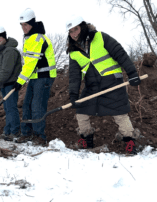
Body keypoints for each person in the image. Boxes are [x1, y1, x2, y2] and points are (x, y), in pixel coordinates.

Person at [66, 15, 141, 154]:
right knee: (81, 111)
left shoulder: (100, 37)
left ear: (82, 27)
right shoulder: (73, 52)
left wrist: (132, 74)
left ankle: (130, 141)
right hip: (92, 87)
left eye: (75, 29)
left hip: (112, 82)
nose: (74, 34)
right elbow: (74, 76)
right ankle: (87, 139)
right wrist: (73, 95)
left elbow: (120, 54)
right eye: (70, 31)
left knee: (120, 113)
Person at [14, 8, 57, 146]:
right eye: (22, 25)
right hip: (34, 77)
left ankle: (40, 136)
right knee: (27, 104)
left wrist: (19, 81)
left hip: (44, 76)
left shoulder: (37, 38)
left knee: (37, 105)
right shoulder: (29, 38)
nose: (23, 28)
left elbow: (31, 63)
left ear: (32, 23)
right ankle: (26, 133)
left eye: (26, 25)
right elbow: (28, 64)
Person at [0, 25, 22, 141]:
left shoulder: (9, 50)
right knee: (8, 109)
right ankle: (7, 131)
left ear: (5, 37)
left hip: (11, 84)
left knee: (11, 108)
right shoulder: (2, 50)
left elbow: (6, 70)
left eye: (0, 37)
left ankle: (15, 132)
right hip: (5, 84)